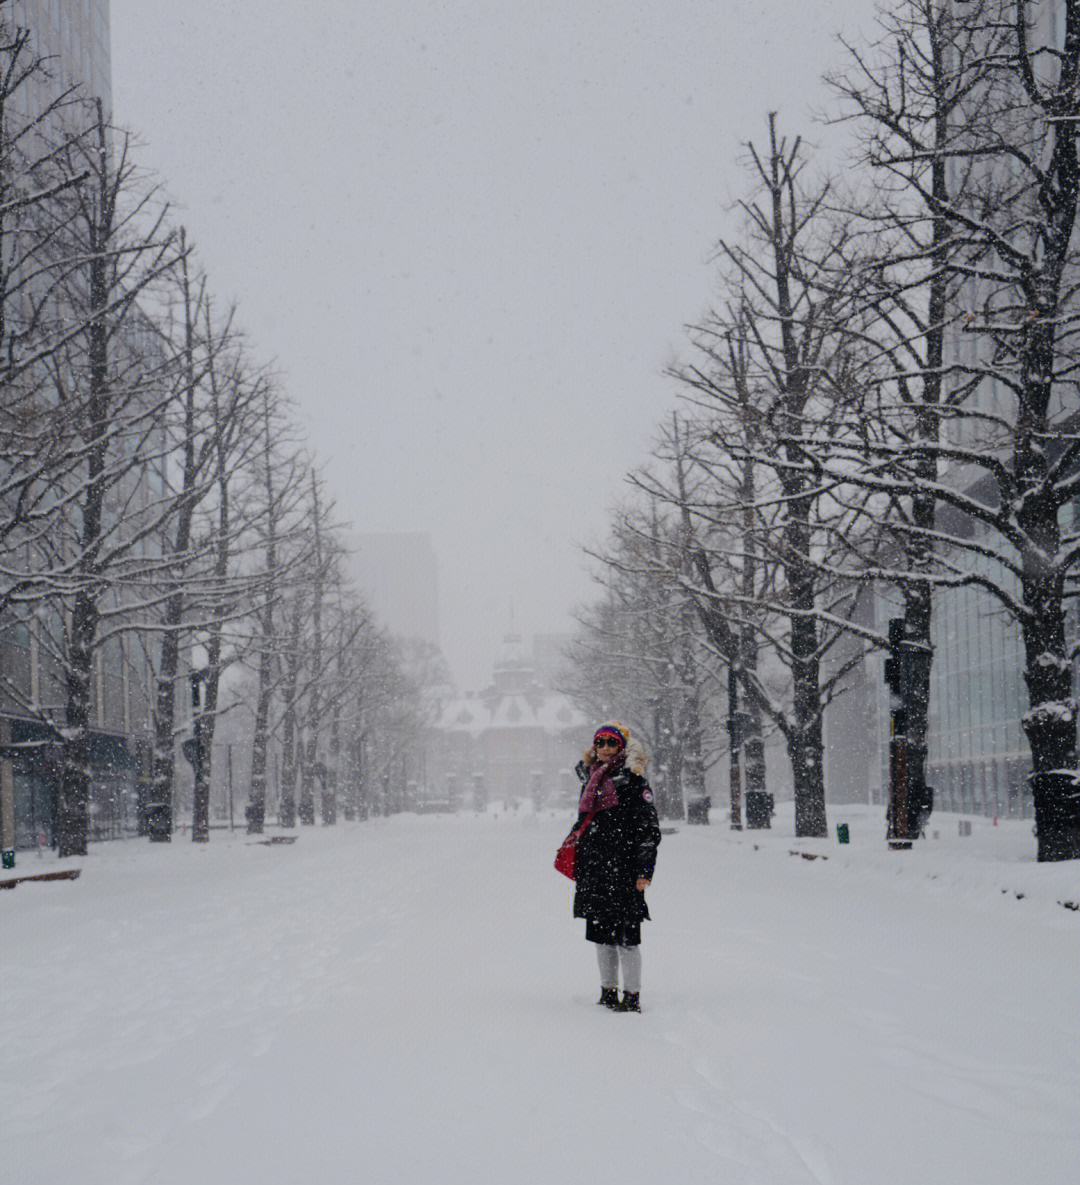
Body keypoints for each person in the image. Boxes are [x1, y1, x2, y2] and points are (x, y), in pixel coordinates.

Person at [571, 720, 661, 1013]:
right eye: (601, 742)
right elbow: (585, 822)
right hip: (596, 868)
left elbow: (648, 830)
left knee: (627, 937)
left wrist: (644, 870)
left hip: (623, 869)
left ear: (621, 746)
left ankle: (631, 996)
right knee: (601, 936)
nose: (606, 748)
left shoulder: (634, 782)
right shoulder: (591, 779)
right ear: (594, 747)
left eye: (612, 742)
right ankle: (607, 992)